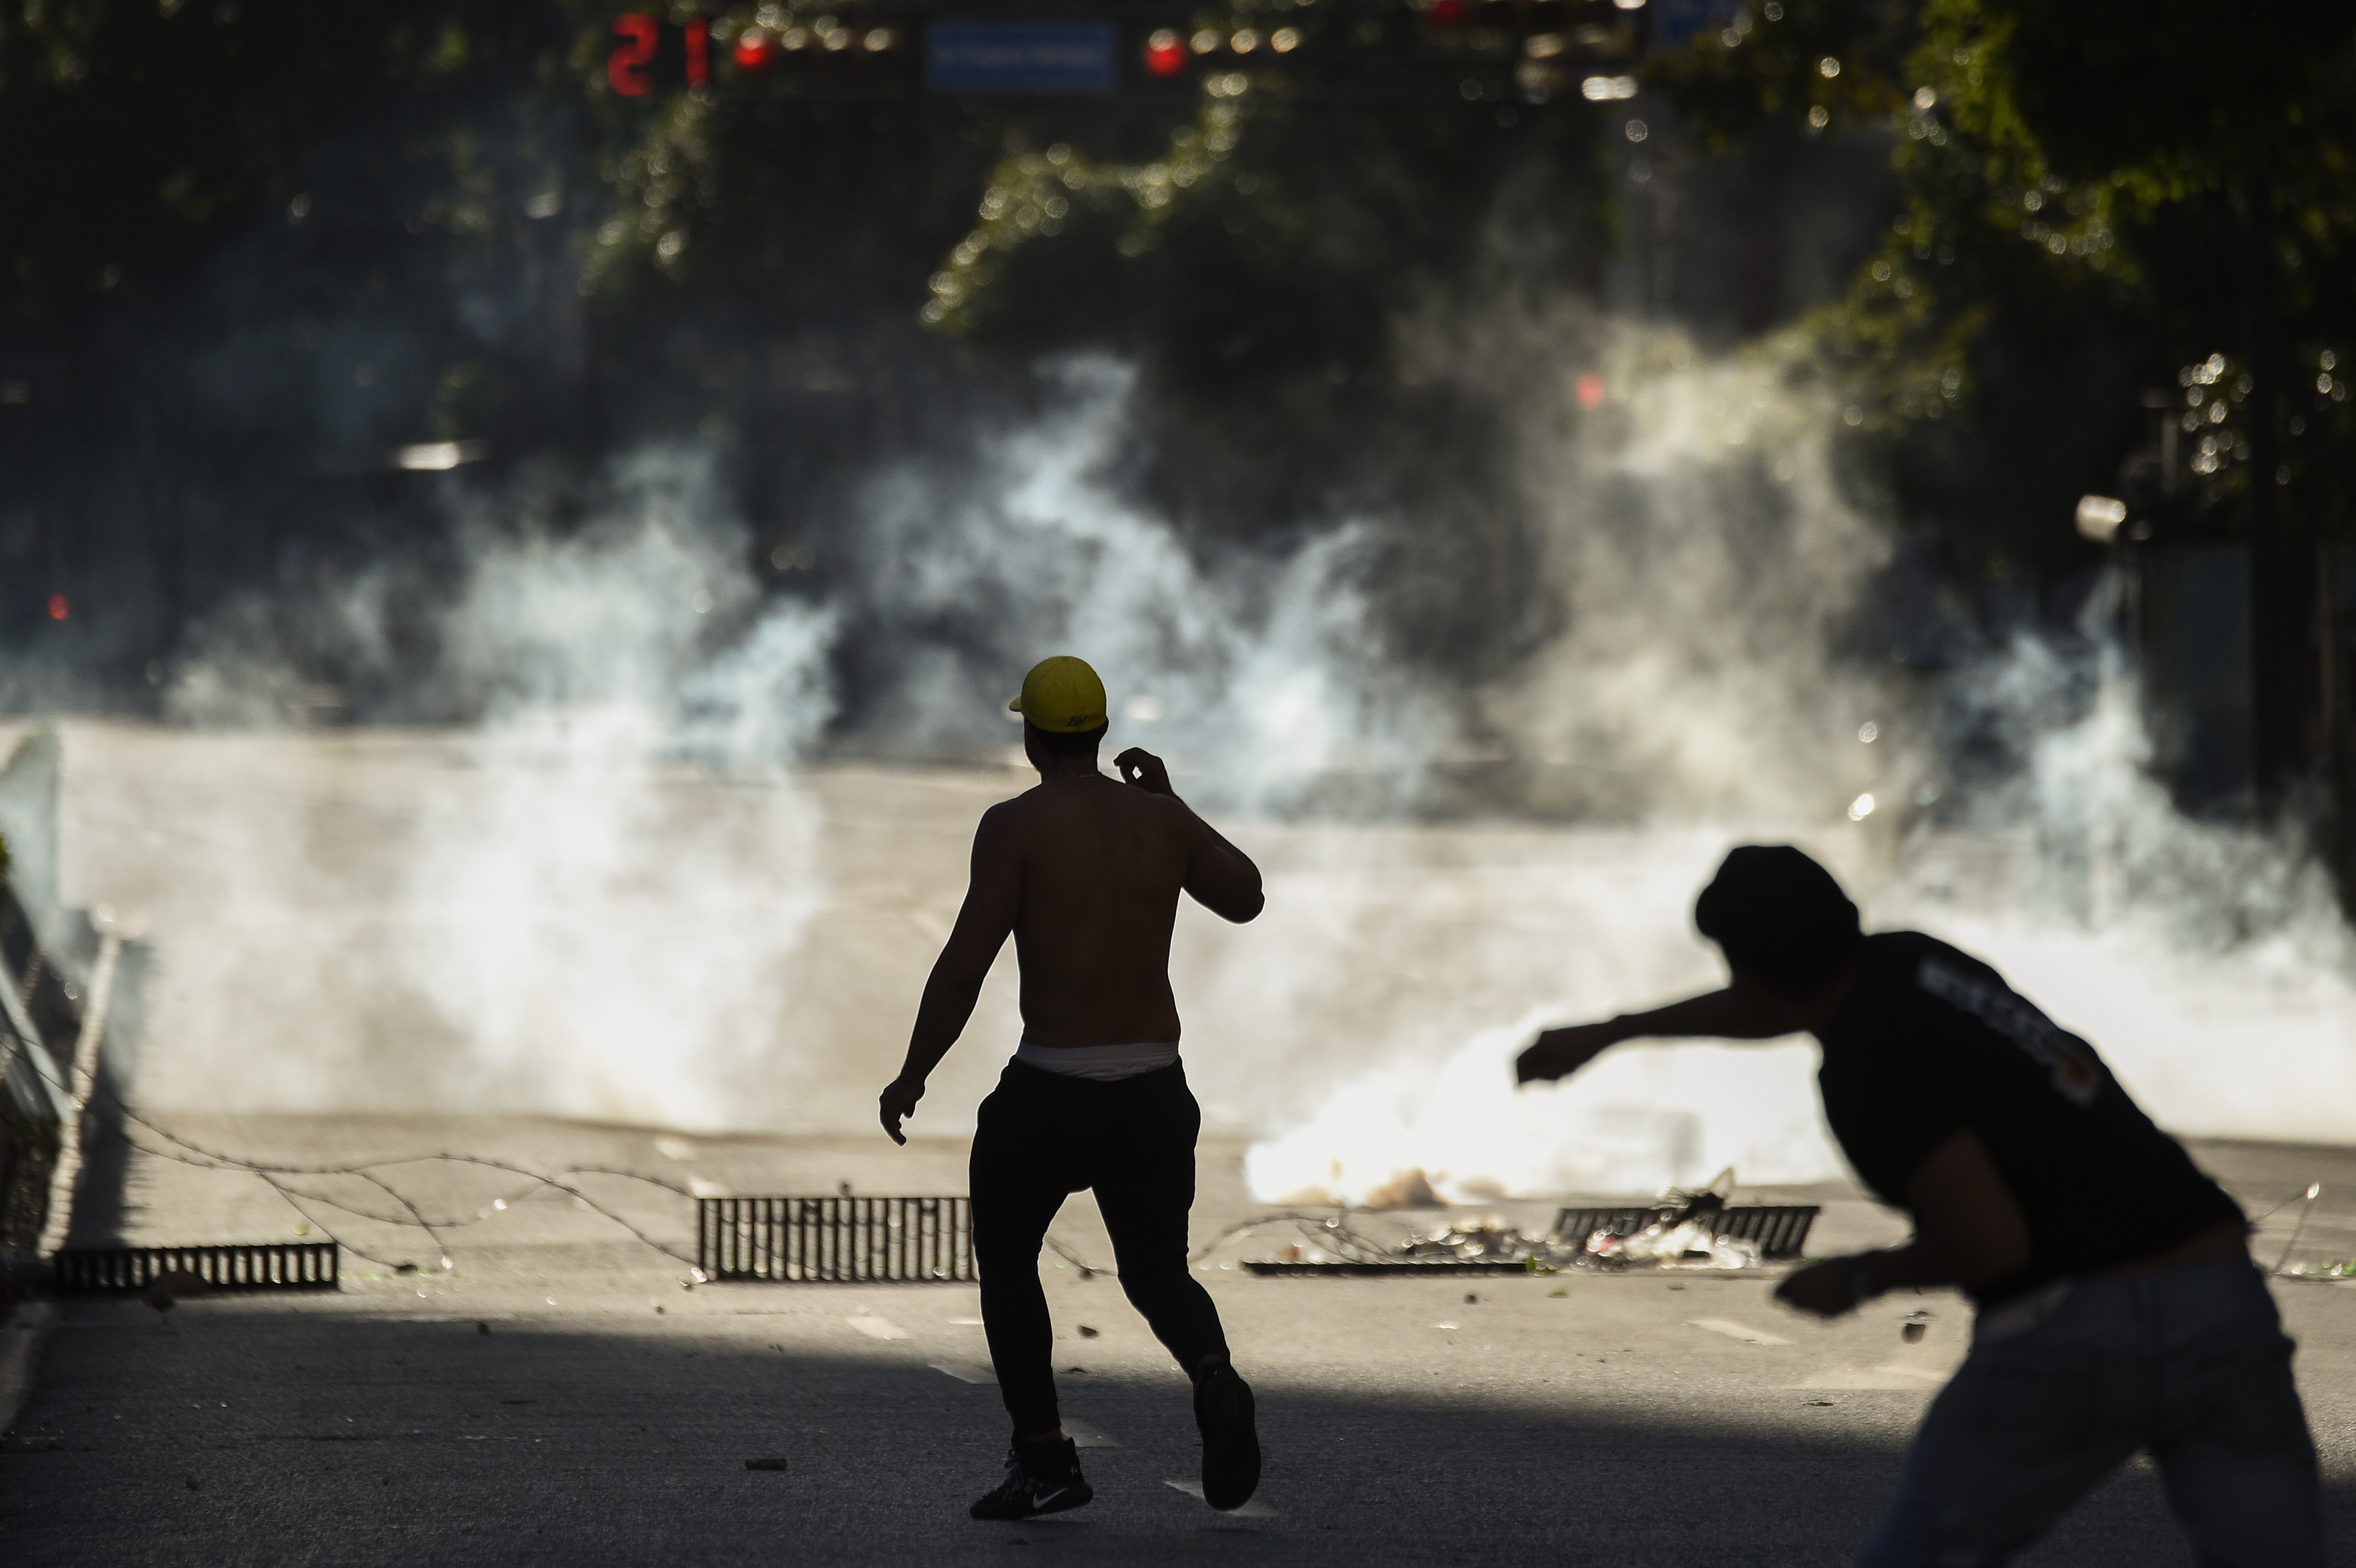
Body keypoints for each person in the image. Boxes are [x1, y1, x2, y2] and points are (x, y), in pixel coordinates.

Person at [1514, 844, 2326, 1568]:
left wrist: (1858, 1278)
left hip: (2072, 1326)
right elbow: (1775, 1004)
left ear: (1751, 969)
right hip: (2219, 1294)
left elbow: (1991, 1242)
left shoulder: (1864, 1073)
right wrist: (1610, 1033)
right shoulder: (1914, 962)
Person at [879, 655, 1268, 1522]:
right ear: (1099, 732)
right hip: (1155, 1090)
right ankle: (1214, 1375)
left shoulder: (1014, 826)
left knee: (1009, 1259)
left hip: (1051, 1092)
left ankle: (1046, 1459)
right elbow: (1246, 897)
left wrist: (914, 1072)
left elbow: (965, 965)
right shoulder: (1159, 820)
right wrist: (1175, 806)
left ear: (1031, 736)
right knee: (1157, 1271)